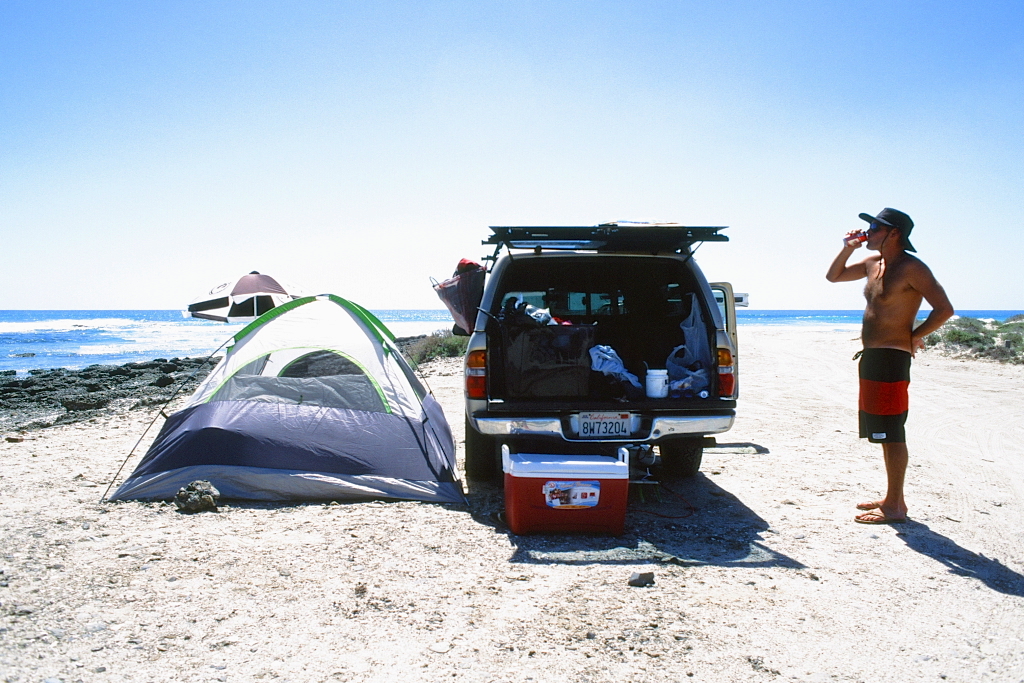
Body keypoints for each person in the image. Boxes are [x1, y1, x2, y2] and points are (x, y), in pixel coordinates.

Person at [826, 208, 954, 524]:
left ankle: (895, 506)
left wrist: (913, 336)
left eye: (874, 227)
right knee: (882, 430)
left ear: (894, 233)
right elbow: (834, 276)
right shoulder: (873, 263)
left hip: (891, 358)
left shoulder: (912, 268)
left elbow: (944, 309)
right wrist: (847, 248)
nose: (867, 232)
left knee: (893, 431)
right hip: (872, 356)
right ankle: (892, 498)